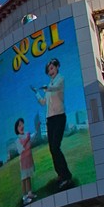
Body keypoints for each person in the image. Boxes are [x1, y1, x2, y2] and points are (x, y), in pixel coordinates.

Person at [34, 57, 74, 190]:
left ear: (57, 67)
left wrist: (47, 88)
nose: (50, 71)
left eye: (52, 68)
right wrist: (37, 94)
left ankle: (67, 176)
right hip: (50, 119)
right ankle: (60, 175)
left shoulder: (60, 79)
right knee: (52, 148)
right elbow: (43, 103)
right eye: (48, 70)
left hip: (59, 117)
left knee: (56, 147)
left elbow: (56, 88)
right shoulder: (49, 85)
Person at [15, 117, 35, 204]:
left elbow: (32, 137)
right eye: (19, 125)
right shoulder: (18, 140)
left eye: (22, 124)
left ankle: (30, 193)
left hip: (29, 159)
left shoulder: (27, 134)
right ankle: (24, 197)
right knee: (24, 178)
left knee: (28, 176)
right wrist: (26, 140)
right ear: (17, 128)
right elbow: (20, 150)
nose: (21, 126)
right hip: (23, 162)